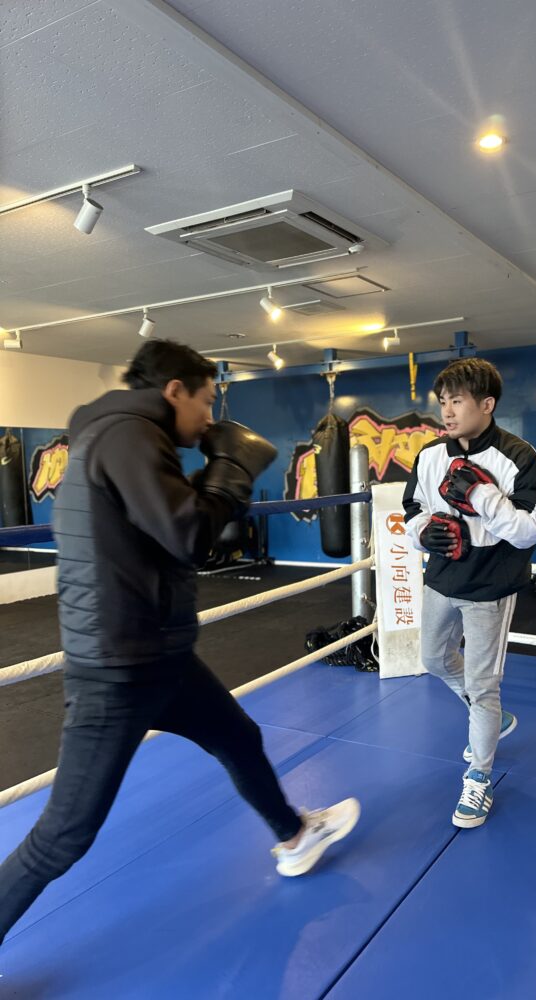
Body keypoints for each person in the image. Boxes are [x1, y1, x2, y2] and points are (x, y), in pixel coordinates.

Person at [0, 339, 359, 946]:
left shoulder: (126, 436)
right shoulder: (128, 435)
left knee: (238, 737)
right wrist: (231, 471)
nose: (210, 416)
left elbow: (157, 529)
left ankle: (296, 837)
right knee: (66, 831)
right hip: (119, 668)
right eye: (207, 400)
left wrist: (210, 481)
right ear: (174, 391)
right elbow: (188, 535)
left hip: (157, 653)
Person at [403, 357, 536, 828]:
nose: (447, 411)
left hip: (491, 584)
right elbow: (413, 509)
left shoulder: (520, 456)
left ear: (486, 404)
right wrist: (422, 533)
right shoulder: (430, 455)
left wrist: (482, 496)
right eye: (443, 402)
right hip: (441, 578)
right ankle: (492, 717)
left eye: (457, 401)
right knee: (432, 658)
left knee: (484, 685)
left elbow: (531, 530)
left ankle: (479, 777)